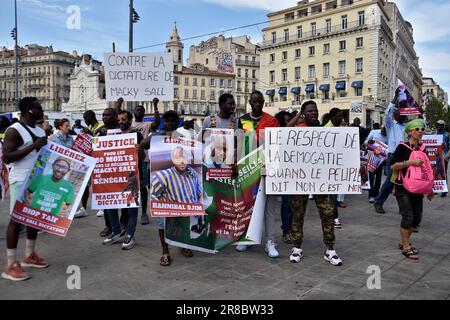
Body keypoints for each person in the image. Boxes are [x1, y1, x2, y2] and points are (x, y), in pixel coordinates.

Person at [288, 101, 343, 266]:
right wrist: (298, 115)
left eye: (315, 110)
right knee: (298, 213)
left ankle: (330, 249)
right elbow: (283, 132)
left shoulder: (323, 130)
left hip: (320, 178)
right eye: (310, 111)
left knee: (327, 213)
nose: (314, 113)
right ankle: (297, 248)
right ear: (304, 113)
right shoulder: (297, 130)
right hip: (300, 179)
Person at [1, 97, 48, 281]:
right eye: (38, 107)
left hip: (36, 180)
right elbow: (7, 157)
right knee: (16, 220)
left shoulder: (38, 129)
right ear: (29, 110)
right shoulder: (14, 130)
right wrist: (34, 146)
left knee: (33, 219)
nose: (41, 110)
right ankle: (10, 264)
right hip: (20, 180)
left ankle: (29, 255)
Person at [142, 110, 194, 266]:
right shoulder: (157, 136)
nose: (170, 123)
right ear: (164, 122)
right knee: (161, 220)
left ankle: (183, 246)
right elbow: (143, 144)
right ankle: (165, 250)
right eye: (167, 120)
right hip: (161, 184)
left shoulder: (182, 138)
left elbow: (192, 155)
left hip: (179, 184)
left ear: (177, 122)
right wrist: (158, 136)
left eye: (173, 120)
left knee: (182, 217)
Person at [236, 91, 280, 259]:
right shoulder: (242, 120)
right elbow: (239, 144)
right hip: (247, 169)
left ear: (263, 102)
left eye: (260, 101)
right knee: (248, 206)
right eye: (254, 101)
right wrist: (238, 166)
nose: (257, 104)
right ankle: (246, 239)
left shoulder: (272, 120)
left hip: (266, 170)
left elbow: (276, 146)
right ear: (250, 102)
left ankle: (270, 242)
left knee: (269, 208)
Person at [390, 119, 434, 260]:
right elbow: (392, 166)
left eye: (422, 128)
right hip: (402, 186)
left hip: (418, 187)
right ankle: (406, 246)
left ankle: (403, 241)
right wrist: (410, 162)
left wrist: (430, 188)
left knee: (417, 219)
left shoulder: (423, 148)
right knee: (408, 216)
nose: (420, 131)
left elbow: (426, 169)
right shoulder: (402, 147)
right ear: (409, 131)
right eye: (417, 129)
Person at [102, 111, 144, 250]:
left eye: (123, 119)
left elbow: (143, 157)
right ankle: (116, 231)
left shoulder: (137, 135)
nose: (120, 121)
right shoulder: (110, 135)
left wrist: (139, 150)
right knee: (110, 205)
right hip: (113, 178)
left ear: (130, 120)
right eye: (118, 119)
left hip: (132, 177)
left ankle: (130, 235)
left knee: (131, 208)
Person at [374, 89, 408, 214]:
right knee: (391, 181)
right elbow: (387, 113)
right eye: (400, 113)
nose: (403, 115)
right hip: (393, 156)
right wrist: (395, 97)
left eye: (404, 114)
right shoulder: (390, 125)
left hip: (405, 156)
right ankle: (378, 202)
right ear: (395, 115)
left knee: (404, 182)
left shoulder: (407, 127)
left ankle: (403, 208)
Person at [131, 98, 161, 225]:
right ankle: (129, 211)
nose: (139, 111)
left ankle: (143, 213)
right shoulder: (129, 124)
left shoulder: (147, 125)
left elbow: (157, 122)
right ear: (133, 112)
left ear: (144, 113)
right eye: (137, 109)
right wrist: (119, 103)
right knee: (130, 185)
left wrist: (155, 106)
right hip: (129, 158)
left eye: (141, 110)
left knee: (143, 187)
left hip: (143, 159)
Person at [274, 111, 295, 243]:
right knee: (286, 204)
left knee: (294, 205)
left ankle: (292, 228)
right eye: (286, 121)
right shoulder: (278, 135)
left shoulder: (295, 135)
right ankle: (286, 230)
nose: (289, 123)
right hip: (283, 174)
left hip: (295, 173)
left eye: (290, 120)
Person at [325, 108, 344, 228]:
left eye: (341, 116)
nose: (341, 118)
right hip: (329, 167)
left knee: (333, 193)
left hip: (334, 165)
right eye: (338, 116)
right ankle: (334, 217)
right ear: (331, 117)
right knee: (332, 194)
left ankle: (332, 216)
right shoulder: (328, 129)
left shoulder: (337, 129)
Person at [365, 124, 388, 203]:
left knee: (378, 179)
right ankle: (371, 196)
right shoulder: (373, 132)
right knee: (371, 178)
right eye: (383, 131)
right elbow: (365, 143)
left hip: (381, 161)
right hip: (371, 159)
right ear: (381, 128)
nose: (385, 133)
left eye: (386, 131)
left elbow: (388, 148)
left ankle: (376, 194)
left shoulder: (388, 136)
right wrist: (369, 142)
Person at [436, 120, 449, 197]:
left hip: (444, 157)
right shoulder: (435, 134)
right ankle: (436, 190)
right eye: (437, 125)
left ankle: (444, 191)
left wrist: (447, 157)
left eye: (440, 125)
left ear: (443, 126)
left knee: (443, 173)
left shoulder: (447, 135)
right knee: (435, 173)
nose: (438, 126)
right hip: (436, 157)